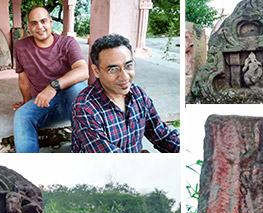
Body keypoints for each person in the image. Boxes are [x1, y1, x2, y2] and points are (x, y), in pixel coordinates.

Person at [71, 34, 180, 153]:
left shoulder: (138, 95)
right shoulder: (85, 108)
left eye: (128, 66)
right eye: (113, 69)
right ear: (96, 71)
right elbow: (111, 160)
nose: (124, 77)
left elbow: (162, 135)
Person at [13, 7, 89, 153]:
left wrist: (53, 86)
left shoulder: (67, 43)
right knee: (21, 116)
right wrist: (26, 103)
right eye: (34, 23)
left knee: (79, 88)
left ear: (51, 22)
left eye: (43, 21)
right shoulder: (21, 47)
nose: (39, 27)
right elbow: (23, 81)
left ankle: (82, 151)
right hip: (43, 103)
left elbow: (83, 70)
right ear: (29, 26)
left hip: (69, 101)